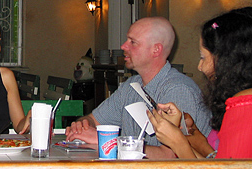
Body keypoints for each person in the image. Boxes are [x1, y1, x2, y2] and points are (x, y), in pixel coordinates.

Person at [65, 17, 211, 159]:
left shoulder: (178, 90)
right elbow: (94, 119)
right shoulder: (131, 86)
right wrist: (83, 125)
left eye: (133, 42)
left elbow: (170, 156)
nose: (123, 46)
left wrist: (108, 142)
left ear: (156, 50)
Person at [148, 7, 252, 159]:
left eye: (203, 57)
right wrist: (181, 139)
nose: (200, 67)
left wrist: (178, 142)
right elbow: (218, 163)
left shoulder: (244, 106)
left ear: (227, 60)